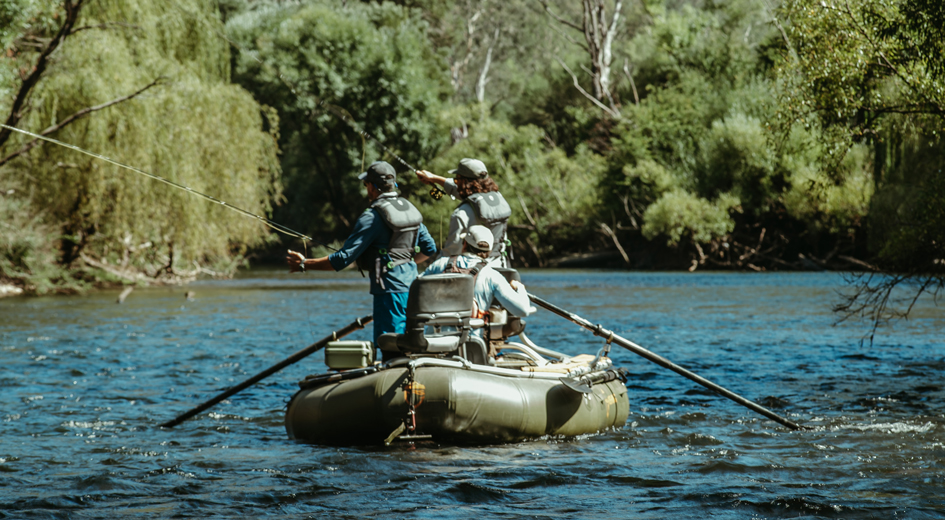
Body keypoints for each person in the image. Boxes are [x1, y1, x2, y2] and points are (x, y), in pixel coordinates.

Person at [286, 161, 438, 360]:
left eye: (366, 185)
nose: (366, 189)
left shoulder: (372, 216)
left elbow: (342, 259)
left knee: (390, 349)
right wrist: (404, 263)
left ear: (373, 187)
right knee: (410, 347)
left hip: (389, 293)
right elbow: (429, 249)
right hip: (414, 290)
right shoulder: (410, 210)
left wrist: (304, 264)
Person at [421, 225, 531, 331]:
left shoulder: (439, 264)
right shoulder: (491, 275)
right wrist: (520, 288)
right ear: (489, 251)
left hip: (435, 339)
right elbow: (523, 310)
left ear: (465, 244)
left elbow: (415, 289)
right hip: (472, 340)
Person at [415, 158, 512, 268]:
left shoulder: (461, 214)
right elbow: (466, 192)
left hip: (472, 271)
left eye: (457, 180)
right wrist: (433, 178)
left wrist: (434, 267)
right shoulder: (498, 199)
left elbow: (451, 252)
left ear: (465, 182)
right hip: (500, 265)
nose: (456, 183)